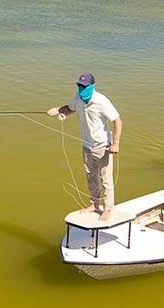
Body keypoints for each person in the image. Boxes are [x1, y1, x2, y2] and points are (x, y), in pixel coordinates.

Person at [47, 73, 122, 221]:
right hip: (86, 145)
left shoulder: (101, 101)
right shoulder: (78, 97)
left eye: (84, 86)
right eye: (79, 86)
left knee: (105, 179)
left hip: (103, 146)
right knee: (91, 176)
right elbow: (70, 109)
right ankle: (94, 204)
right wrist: (58, 110)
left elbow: (118, 120)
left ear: (91, 86)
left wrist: (116, 143)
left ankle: (107, 209)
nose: (81, 88)